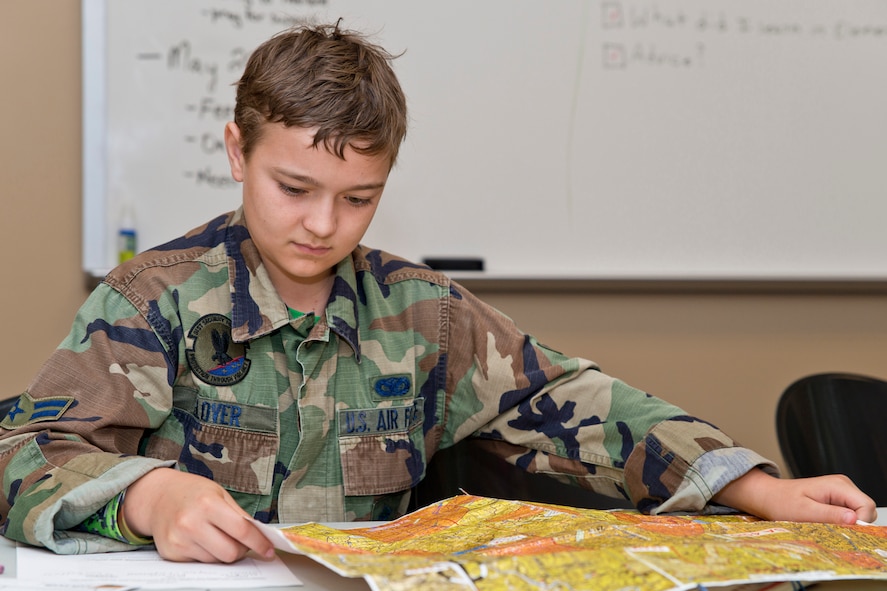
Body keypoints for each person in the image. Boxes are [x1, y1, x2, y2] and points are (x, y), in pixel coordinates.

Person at [0, 22, 875, 564]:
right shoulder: (151, 300)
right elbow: (23, 450)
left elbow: (581, 403)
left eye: (357, 198)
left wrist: (752, 487)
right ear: (237, 152)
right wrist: (150, 498)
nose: (321, 225)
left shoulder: (423, 315)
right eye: (292, 187)